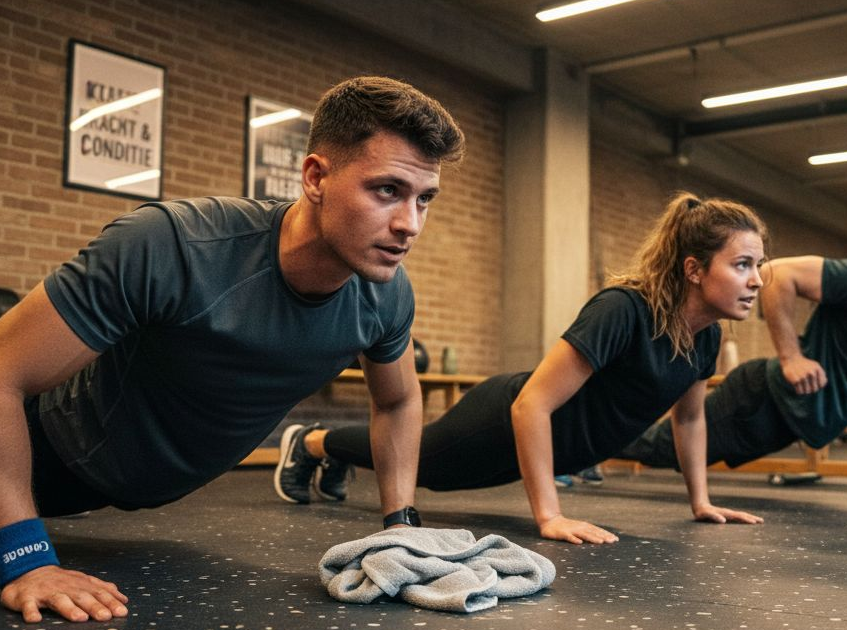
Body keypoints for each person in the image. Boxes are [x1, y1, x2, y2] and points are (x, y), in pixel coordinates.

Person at [0, 76, 465, 623]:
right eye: (387, 190)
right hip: (66, 451)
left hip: (157, 478)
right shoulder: (176, 247)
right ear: (315, 177)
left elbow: (397, 401)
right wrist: (27, 562)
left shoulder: (386, 296)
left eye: (425, 199)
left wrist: (401, 525)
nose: (409, 224)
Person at [276, 192, 769, 544]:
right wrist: (549, 516)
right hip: (503, 418)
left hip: (550, 448)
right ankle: (313, 442)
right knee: (422, 465)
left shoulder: (706, 337)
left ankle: (325, 449)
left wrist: (701, 502)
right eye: (742, 264)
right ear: (693, 269)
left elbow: (690, 418)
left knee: (427, 468)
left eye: (759, 265)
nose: (757, 281)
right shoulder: (623, 310)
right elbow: (531, 404)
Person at [618, 215, 847, 470]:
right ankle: (585, 449)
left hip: (785, 418)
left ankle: (591, 450)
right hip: (761, 401)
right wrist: (791, 357)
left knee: (666, 451)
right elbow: (776, 274)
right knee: (662, 448)